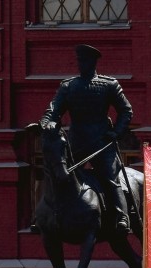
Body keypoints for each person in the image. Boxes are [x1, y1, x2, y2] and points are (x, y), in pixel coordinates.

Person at [41, 43, 136, 235]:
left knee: (111, 179)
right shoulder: (68, 86)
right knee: (58, 175)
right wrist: (47, 123)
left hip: (101, 143)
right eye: (79, 61)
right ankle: (46, 215)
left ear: (93, 63)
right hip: (76, 143)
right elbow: (53, 111)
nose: (81, 64)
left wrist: (115, 133)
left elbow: (126, 111)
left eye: (84, 61)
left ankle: (121, 216)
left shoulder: (109, 85)